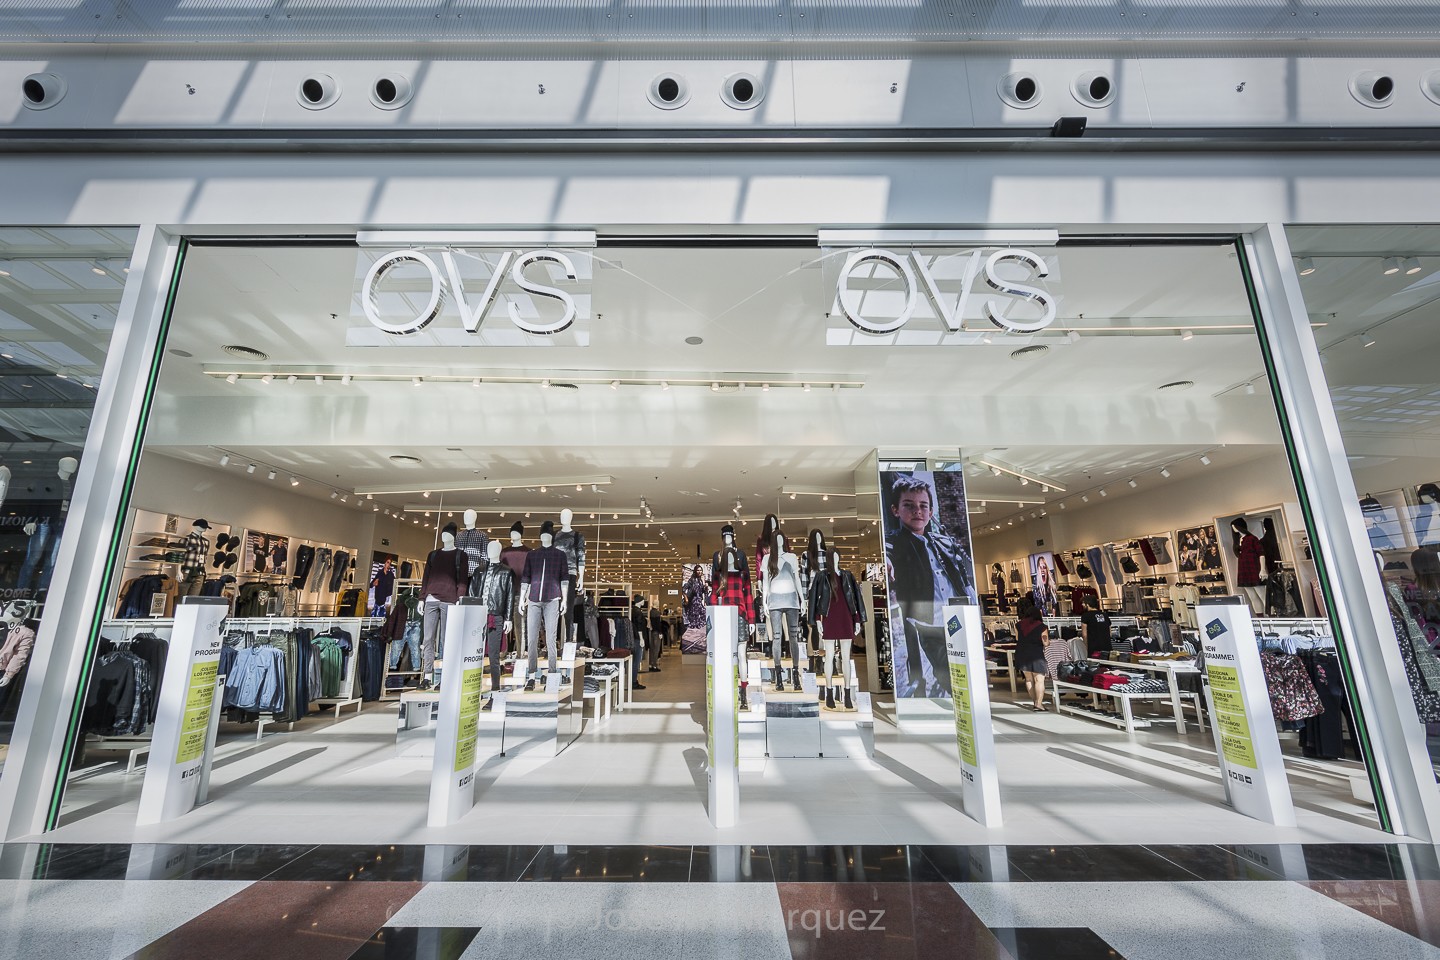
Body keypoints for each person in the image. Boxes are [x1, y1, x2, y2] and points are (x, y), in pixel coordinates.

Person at [884, 473, 976, 698]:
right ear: (896, 510)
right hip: (927, 622)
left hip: (956, 618)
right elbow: (886, 552)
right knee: (944, 669)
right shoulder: (893, 542)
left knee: (963, 664)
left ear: (931, 512)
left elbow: (962, 577)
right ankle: (952, 699)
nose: (918, 511)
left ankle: (960, 700)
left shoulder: (945, 543)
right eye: (909, 505)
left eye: (923, 506)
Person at [1015, 596, 1050, 711]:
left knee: (1029, 679)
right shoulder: (1042, 626)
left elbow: (1017, 638)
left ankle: (1035, 702)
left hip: (1022, 653)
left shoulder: (1018, 625)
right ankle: (1039, 704)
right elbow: (1045, 642)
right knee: (1039, 680)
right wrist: (1047, 641)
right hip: (1036, 654)